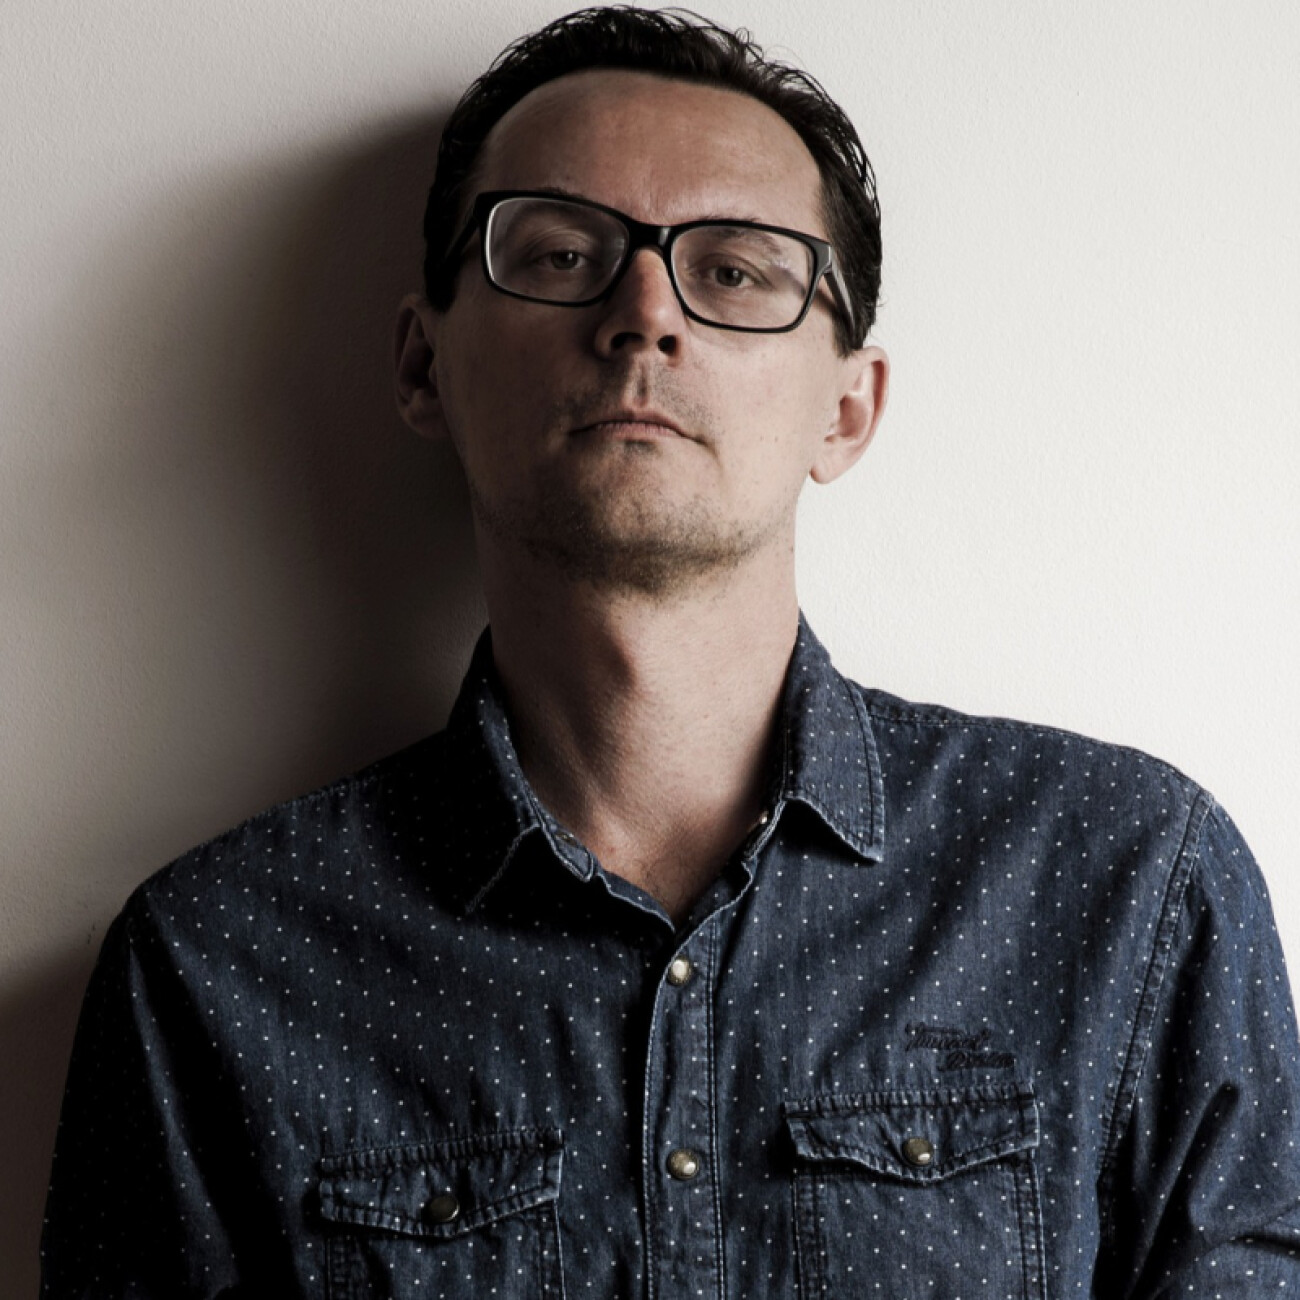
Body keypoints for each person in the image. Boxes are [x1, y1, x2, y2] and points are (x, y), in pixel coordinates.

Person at [40, 7, 1300, 1297]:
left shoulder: (1125, 885)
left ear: (847, 408)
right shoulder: (214, 964)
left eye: (737, 272)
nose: (645, 314)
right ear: (423, 365)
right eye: (560, 253)